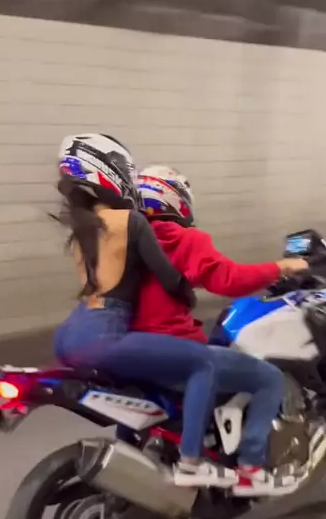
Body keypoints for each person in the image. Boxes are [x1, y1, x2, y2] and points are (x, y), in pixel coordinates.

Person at [134, 165, 326, 497]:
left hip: (131, 349)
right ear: (173, 199)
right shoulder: (182, 239)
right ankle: (250, 468)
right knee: (268, 378)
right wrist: (283, 266)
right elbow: (228, 279)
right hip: (173, 348)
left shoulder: (129, 240)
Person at [53, 132, 239, 489]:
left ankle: (131, 457)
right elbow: (168, 278)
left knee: (135, 384)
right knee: (203, 364)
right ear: (108, 170)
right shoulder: (131, 221)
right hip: (102, 334)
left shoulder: (81, 228)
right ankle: (191, 461)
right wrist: (188, 295)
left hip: (69, 334)